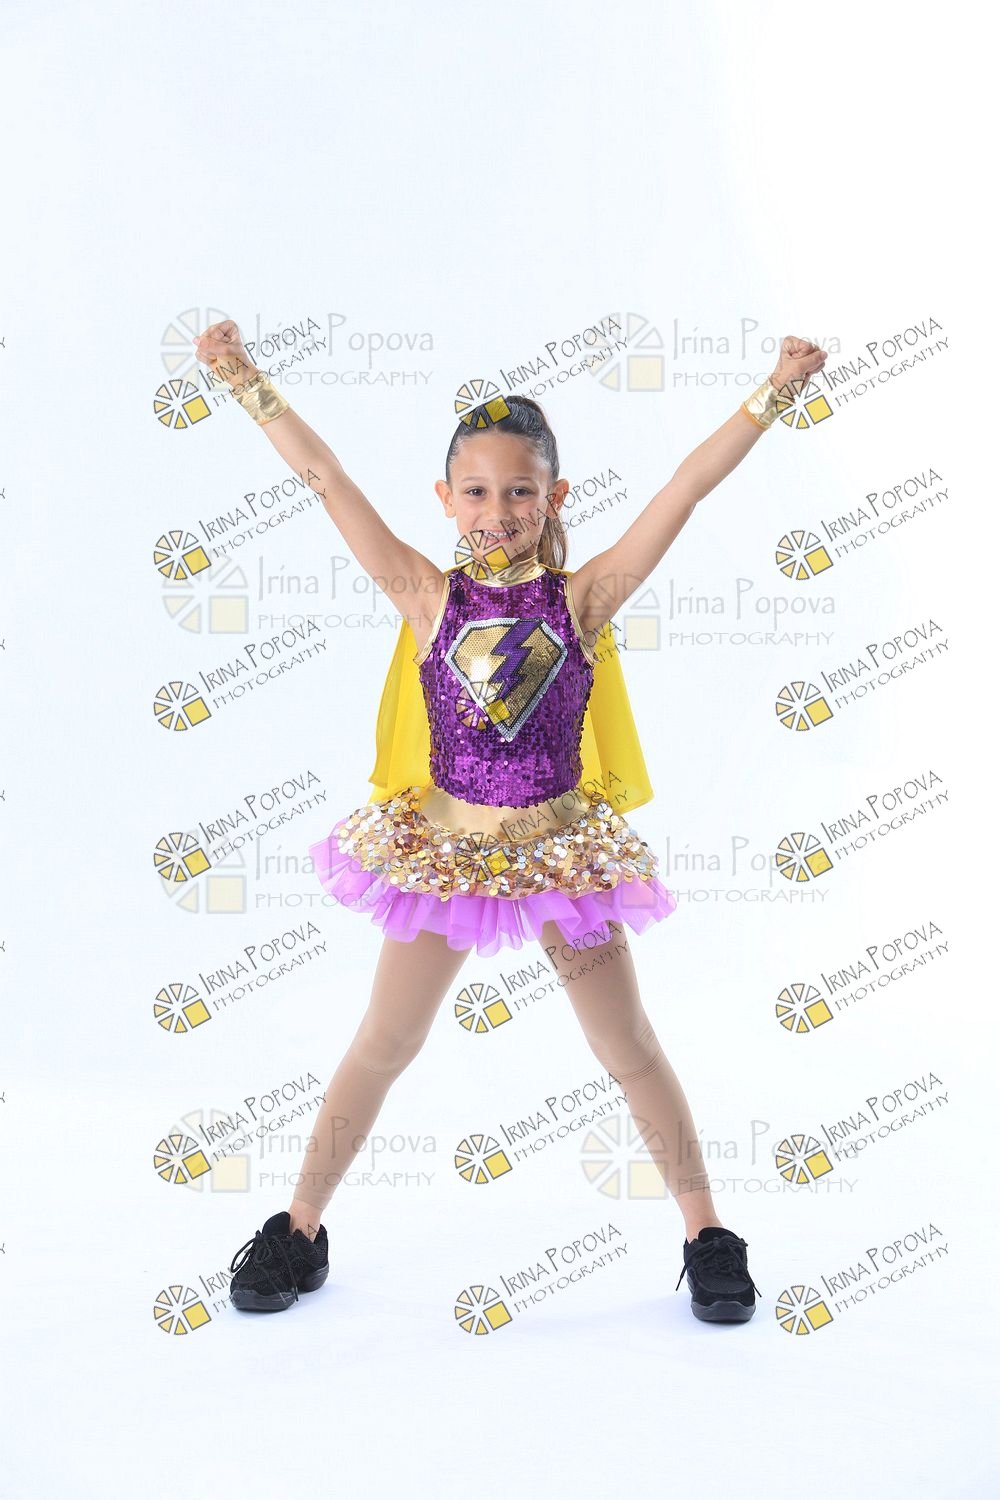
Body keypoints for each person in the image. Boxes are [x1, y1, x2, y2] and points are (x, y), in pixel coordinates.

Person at [193, 322, 827, 1322]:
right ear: (445, 499)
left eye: (521, 491)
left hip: (561, 854)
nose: (499, 511)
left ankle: (707, 1233)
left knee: (626, 1045)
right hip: (446, 856)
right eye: (478, 491)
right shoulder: (424, 597)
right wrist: (241, 377)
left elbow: (686, 489)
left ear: (555, 497)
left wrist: (774, 389)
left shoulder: (585, 600)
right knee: (384, 1039)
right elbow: (324, 479)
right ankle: (299, 1228)